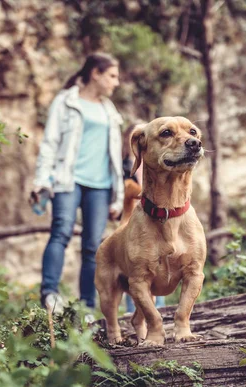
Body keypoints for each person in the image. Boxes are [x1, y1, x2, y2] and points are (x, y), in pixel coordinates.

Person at [32, 53, 124, 313]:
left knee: (93, 247)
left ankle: (86, 307)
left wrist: (117, 197)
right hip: (68, 180)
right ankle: (49, 294)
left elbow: (115, 156)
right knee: (60, 232)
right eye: (112, 76)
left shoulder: (109, 110)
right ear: (95, 73)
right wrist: (42, 181)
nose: (116, 83)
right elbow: (49, 143)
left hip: (101, 186)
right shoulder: (66, 101)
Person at [119, 124, 165, 313]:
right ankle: (134, 311)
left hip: (159, 222)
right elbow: (125, 194)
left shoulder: (159, 163)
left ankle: (160, 310)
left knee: (161, 263)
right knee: (136, 267)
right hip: (132, 222)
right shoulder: (122, 169)